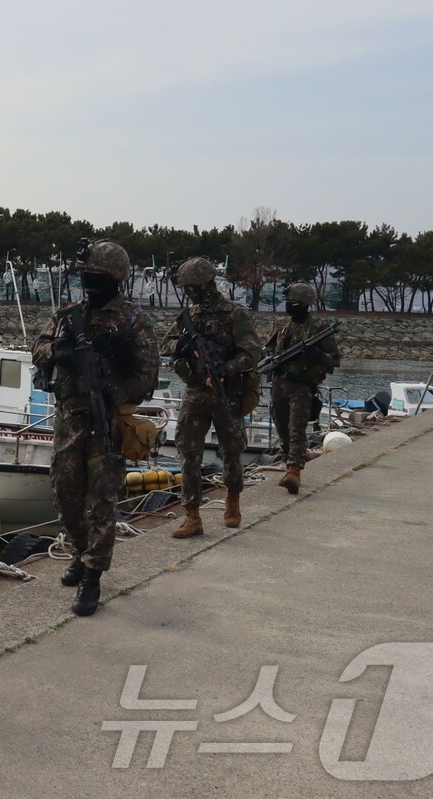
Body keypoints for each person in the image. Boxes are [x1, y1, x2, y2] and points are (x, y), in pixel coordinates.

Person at [30, 240, 159, 617]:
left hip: (108, 420)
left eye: (98, 276)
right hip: (69, 419)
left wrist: (113, 387)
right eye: (87, 275)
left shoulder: (133, 319)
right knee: (65, 493)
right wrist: (61, 352)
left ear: (115, 279)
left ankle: (92, 575)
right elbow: (38, 346)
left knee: (100, 501)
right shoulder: (69, 315)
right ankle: (79, 552)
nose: (90, 281)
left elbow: (148, 373)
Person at [161, 257, 262, 537]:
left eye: (193, 286)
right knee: (188, 453)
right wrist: (183, 344)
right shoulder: (189, 317)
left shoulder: (234, 313)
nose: (190, 291)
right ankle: (192, 515)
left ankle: (232, 502)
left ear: (206, 283)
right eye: (186, 287)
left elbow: (252, 353)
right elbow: (165, 343)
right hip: (195, 393)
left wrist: (226, 369)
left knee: (231, 450)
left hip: (227, 392)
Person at [265, 283, 340, 494]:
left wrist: (317, 355)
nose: (289, 307)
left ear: (305, 305)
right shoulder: (281, 325)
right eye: (287, 303)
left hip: (302, 386)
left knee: (296, 427)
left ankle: (294, 471)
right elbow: (268, 349)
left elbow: (334, 359)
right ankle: (289, 462)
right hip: (279, 383)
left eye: (294, 303)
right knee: (280, 425)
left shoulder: (318, 327)